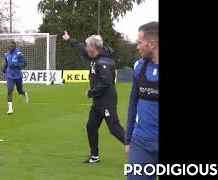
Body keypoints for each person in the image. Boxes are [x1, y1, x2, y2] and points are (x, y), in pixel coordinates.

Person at [62, 31, 125, 163]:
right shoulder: (94, 57)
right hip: (98, 100)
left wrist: (91, 92)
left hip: (106, 100)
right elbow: (81, 49)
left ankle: (141, 151)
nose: (85, 48)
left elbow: (106, 82)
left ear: (93, 47)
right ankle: (94, 157)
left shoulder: (103, 61)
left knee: (114, 129)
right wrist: (69, 40)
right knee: (91, 126)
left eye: (87, 46)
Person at [124, 22, 159, 180]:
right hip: (141, 142)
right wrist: (128, 139)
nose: (137, 47)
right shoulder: (139, 67)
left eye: (139, 42)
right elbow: (133, 103)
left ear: (151, 44)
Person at [3, 42, 28, 114]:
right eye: (9, 46)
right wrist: (4, 68)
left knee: (19, 91)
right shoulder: (6, 54)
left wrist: (16, 65)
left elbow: (24, 63)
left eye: (11, 46)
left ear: (15, 47)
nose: (9, 47)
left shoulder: (19, 54)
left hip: (18, 76)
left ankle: (24, 93)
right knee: (9, 90)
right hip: (10, 75)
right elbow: (6, 63)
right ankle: (10, 109)